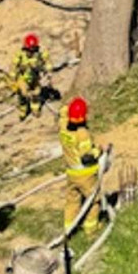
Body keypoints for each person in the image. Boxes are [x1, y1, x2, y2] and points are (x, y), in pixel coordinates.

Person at [59, 97, 103, 235]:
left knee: (72, 200)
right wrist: (98, 151)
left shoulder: (63, 126)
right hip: (85, 175)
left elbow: (63, 112)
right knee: (93, 200)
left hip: (71, 173)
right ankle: (91, 228)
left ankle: (69, 229)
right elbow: (87, 157)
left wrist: (71, 108)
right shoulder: (82, 134)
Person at [11, 33, 55, 121]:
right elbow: (14, 66)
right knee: (23, 94)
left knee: (36, 93)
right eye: (29, 50)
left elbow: (48, 63)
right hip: (23, 79)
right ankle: (23, 112)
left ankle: (35, 110)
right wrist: (13, 76)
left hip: (35, 78)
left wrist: (48, 72)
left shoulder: (40, 54)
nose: (30, 52)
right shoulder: (20, 54)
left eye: (33, 50)